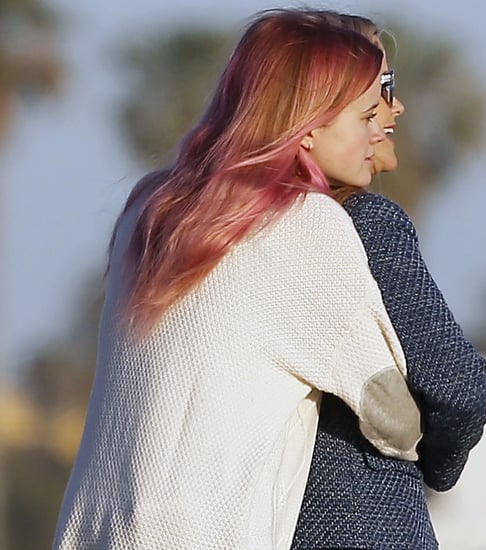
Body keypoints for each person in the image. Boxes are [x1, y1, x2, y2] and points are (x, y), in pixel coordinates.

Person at [52, 9, 425, 549]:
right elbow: (392, 416)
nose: (380, 128)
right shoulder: (305, 223)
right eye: (365, 114)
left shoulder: (150, 210)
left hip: (93, 529)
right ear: (310, 127)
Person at [291, 12, 486, 550]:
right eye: (381, 88)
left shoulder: (235, 230)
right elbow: (460, 389)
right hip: (364, 520)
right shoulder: (363, 223)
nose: (394, 106)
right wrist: (434, 469)